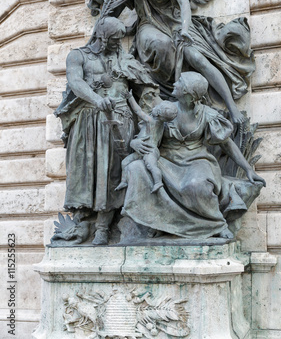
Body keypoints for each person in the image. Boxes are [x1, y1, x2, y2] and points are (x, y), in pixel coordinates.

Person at [129, 0, 255, 125]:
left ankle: (231, 106)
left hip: (175, 23)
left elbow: (184, 3)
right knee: (160, 45)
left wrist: (185, 29)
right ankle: (167, 96)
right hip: (149, 24)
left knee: (198, 59)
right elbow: (121, 2)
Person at [122, 72, 266, 240]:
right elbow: (148, 135)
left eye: (180, 83)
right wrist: (135, 143)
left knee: (196, 185)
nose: (174, 84)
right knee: (136, 168)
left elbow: (227, 144)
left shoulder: (207, 114)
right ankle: (157, 222)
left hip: (196, 160)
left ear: (189, 95)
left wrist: (248, 169)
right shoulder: (165, 109)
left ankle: (216, 224)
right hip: (166, 159)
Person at [54, 16, 157, 245]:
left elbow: (147, 89)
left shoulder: (124, 59)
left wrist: (149, 120)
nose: (119, 44)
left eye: (120, 39)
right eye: (114, 40)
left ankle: (103, 227)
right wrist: (96, 99)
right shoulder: (77, 55)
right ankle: (84, 221)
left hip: (119, 123)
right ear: (102, 37)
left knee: (113, 172)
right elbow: (75, 82)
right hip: (87, 124)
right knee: (86, 174)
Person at [116, 92, 178, 193]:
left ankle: (158, 182)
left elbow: (138, 111)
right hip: (141, 151)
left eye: (156, 108)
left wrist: (130, 97)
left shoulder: (151, 121)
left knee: (151, 166)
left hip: (150, 150)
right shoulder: (161, 123)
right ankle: (124, 181)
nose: (153, 108)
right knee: (125, 162)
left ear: (158, 113)